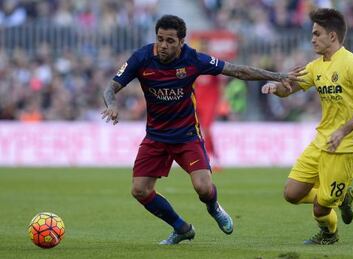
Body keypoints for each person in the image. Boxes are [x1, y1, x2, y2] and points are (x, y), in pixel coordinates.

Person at [101, 14, 304, 245]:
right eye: (160, 39)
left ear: (181, 42)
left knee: (204, 188)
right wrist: (113, 104)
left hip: (187, 135)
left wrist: (278, 75)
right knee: (140, 190)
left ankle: (214, 207)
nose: (164, 46)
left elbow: (238, 71)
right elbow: (111, 87)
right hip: (156, 137)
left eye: (170, 41)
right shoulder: (142, 57)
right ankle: (181, 228)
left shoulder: (193, 59)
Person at [261, 8, 353, 245]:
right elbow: (289, 89)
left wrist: (343, 131)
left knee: (320, 209)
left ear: (332, 36)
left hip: (347, 146)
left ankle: (329, 234)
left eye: (317, 33)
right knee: (291, 194)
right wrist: (276, 87)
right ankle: (341, 196)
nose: (312, 38)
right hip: (322, 140)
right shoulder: (315, 67)